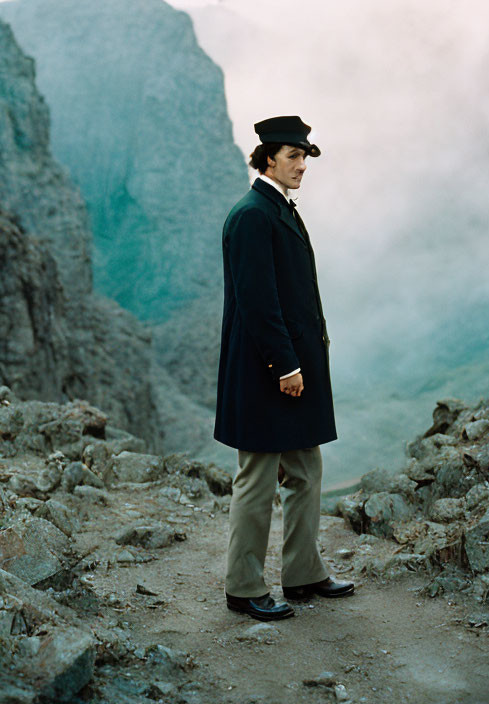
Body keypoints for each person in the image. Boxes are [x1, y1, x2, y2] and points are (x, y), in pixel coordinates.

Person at [215, 115, 354, 621]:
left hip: (288, 370)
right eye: (294, 156)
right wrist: (285, 365)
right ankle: (243, 586)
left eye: (305, 157)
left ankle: (303, 573)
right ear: (268, 157)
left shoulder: (277, 210)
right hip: (266, 373)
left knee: (304, 468)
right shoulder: (253, 214)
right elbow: (258, 302)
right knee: (257, 476)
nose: (302, 165)